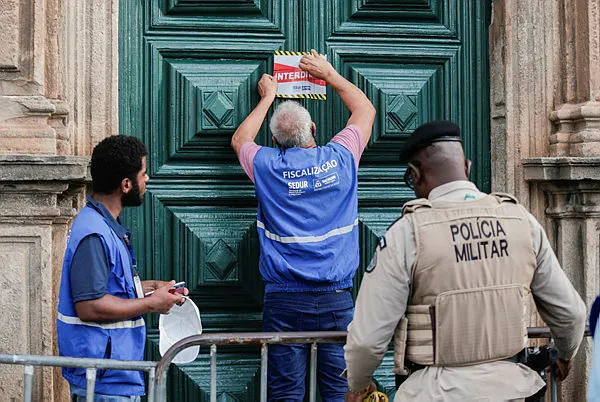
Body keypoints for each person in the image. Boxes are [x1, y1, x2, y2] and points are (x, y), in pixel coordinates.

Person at [343, 120, 587, 401]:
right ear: (468, 167)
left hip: (435, 393)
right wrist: (564, 354)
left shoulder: (408, 233)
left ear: (415, 174)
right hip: (514, 391)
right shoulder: (522, 222)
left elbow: (367, 338)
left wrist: (359, 384)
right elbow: (571, 314)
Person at [231, 49, 376, 401]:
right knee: (339, 390)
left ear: (276, 141)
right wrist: (329, 74)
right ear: (313, 129)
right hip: (336, 299)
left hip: (284, 301)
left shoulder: (267, 165)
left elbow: (240, 140)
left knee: (285, 392)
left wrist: (267, 98)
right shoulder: (341, 157)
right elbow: (365, 110)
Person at [57, 135, 188, 401]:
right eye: (144, 173)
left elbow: (110, 285)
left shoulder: (103, 226)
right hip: (103, 380)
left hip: (111, 374)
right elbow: (89, 306)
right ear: (126, 184)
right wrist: (151, 305)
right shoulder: (94, 233)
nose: (147, 179)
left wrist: (151, 289)